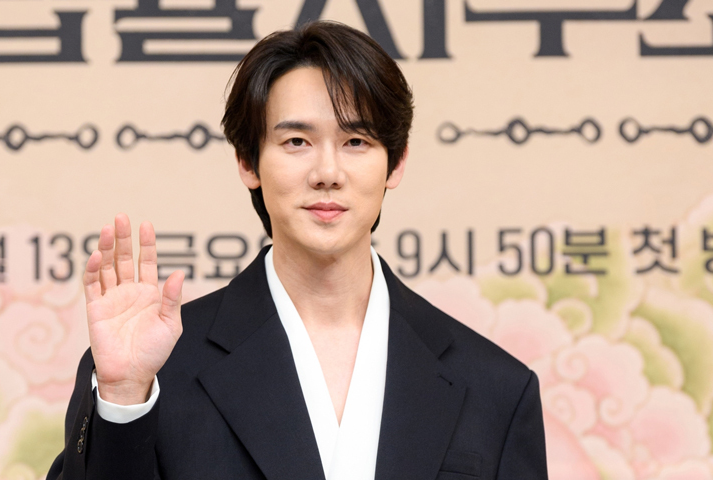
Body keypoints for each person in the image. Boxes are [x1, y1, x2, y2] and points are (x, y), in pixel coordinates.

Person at [47, 20, 548, 480]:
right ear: (248, 162)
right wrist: (123, 399)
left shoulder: (496, 388)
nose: (327, 172)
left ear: (395, 164)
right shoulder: (154, 368)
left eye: (356, 141)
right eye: (296, 142)